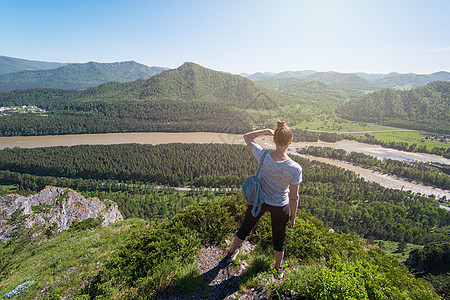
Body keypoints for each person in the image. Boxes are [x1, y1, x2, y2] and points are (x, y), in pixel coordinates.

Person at [224, 121, 302, 273]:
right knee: (279, 238)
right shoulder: (295, 168)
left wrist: (266, 130)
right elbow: (294, 197)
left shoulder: (263, 155)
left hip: (259, 201)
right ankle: (278, 268)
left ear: (274, 140)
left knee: (246, 226)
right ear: (290, 141)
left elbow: (247, 137)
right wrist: (293, 217)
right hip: (280, 205)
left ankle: (231, 252)